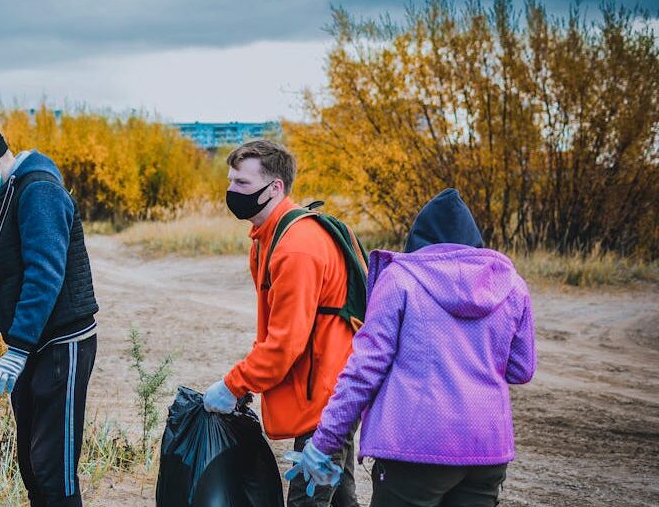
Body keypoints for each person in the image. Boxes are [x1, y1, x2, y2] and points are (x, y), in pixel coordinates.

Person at [286, 188, 537, 507]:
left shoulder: (401, 279)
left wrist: (323, 443)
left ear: (419, 238)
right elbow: (521, 369)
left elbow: (364, 370)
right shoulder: (512, 285)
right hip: (486, 449)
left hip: (414, 449)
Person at [0, 118, 99, 507]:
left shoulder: (39, 191)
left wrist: (16, 348)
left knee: (54, 465)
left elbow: (45, 273)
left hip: (63, 341)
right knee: (31, 462)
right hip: (31, 345)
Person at [201, 139, 360, 506]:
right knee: (338, 500)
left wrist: (233, 386)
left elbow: (285, 344)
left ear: (275, 187)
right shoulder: (266, 238)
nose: (231, 192)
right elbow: (273, 330)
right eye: (230, 182)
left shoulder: (296, 247)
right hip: (332, 391)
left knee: (308, 501)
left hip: (328, 399)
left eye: (242, 184)